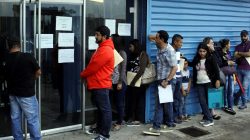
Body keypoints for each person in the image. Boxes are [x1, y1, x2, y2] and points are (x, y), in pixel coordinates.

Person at [80, 25, 114, 140]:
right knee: (101, 110)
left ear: (104, 36)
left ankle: (104, 135)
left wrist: (83, 74)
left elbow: (93, 67)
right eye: (95, 34)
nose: (95, 36)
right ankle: (100, 130)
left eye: (97, 35)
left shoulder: (105, 50)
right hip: (98, 83)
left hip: (101, 84)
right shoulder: (102, 47)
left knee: (105, 110)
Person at [5, 38, 41, 140]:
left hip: (12, 93)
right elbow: (38, 72)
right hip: (27, 94)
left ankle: (18, 138)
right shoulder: (27, 56)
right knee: (32, 119)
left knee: (15, 118)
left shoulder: (6, 59)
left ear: (9, 47)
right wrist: (31, 78)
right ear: (19, 46)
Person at [143, 30, 177, 136]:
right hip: (160, 79)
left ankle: (156, 126)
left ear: (162, 39)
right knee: (166, 104)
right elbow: (150, 37)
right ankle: (170, 124)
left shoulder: (169, 51)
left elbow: (175, 67)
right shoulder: (160, 46)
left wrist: (167, 81)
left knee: (160, 104)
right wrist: (156, 37)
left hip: (166, 80)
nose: (154, 39)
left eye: (157, 37)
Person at [191, 43, 220, 127]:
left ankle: (210, 119)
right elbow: (191, 64)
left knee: (207, 101)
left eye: (204, 51)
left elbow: (216, 70)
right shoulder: (196, 59)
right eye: (200, 51)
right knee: (202, 101)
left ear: (207, 51)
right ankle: (206, 117)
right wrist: (183, 60)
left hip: (208, 82)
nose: (202, 53)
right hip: (199, 83)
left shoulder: (211, 58)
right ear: (198, 51)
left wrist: (217, 80)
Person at [126, 39, 149, 126]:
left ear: (135, 46)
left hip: (139, 83)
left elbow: (141, 70)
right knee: (132, 100)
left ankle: (137, 119)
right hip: (131, 82)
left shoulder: (143, 55)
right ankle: (131, 117)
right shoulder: (132, 55)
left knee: (137, 100)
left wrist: (133, 81)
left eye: (131, 46)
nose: (129, 48)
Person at [110, 34, 127, 131]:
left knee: (119, 103)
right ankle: (116, 120)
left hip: (120, 82)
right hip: (112, 82)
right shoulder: (112, 52)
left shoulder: (122, 52)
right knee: (113, 103)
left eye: (111, 40)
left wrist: (120, 82)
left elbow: (123, 69)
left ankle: (120, 122)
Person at [202, 37, 221, 120]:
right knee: (206, 95)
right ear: (207, 44)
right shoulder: (203, 53)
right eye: (211, 43)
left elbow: (219, 63)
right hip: (205, 78)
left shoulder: (213, 53)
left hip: (212, 77)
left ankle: (212, 112)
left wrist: (217, 79)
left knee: (211, 94)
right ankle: (208, 112)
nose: (213, 44)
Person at [219, 39, 236, 115]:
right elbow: (220, 65)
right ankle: (224, 105)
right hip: (224, 75)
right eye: (229, 44)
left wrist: (234, 77)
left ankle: (230, 106)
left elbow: (232, 66)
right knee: (225, 91)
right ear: (226, 45)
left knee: (231, 91)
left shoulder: (228, 53)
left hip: (231, 75)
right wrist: (228, 63)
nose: (230, 45)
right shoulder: (219, 53)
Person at [234, 30, 250, 110]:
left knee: (244, 87)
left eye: (244, 36)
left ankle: (244, 103)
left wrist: (239, 53)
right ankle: (236, 97)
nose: (243, 38)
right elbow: (235, 56)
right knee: (240, 86)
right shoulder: (238, 46)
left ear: (247, 36)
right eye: (242, 36)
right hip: (239, 68)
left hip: (248, 69)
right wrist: (244, 53)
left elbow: (249, 54)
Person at [171, 34, 184, 124]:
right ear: (175, 42)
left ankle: (175, 116)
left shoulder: (178, 51)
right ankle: (170, 118)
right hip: (172, 78)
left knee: (176, 98)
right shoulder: (169, 50)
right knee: (170, 99)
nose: (181, 44)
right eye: (180, 42)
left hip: (179, 77)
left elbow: (177, 64)